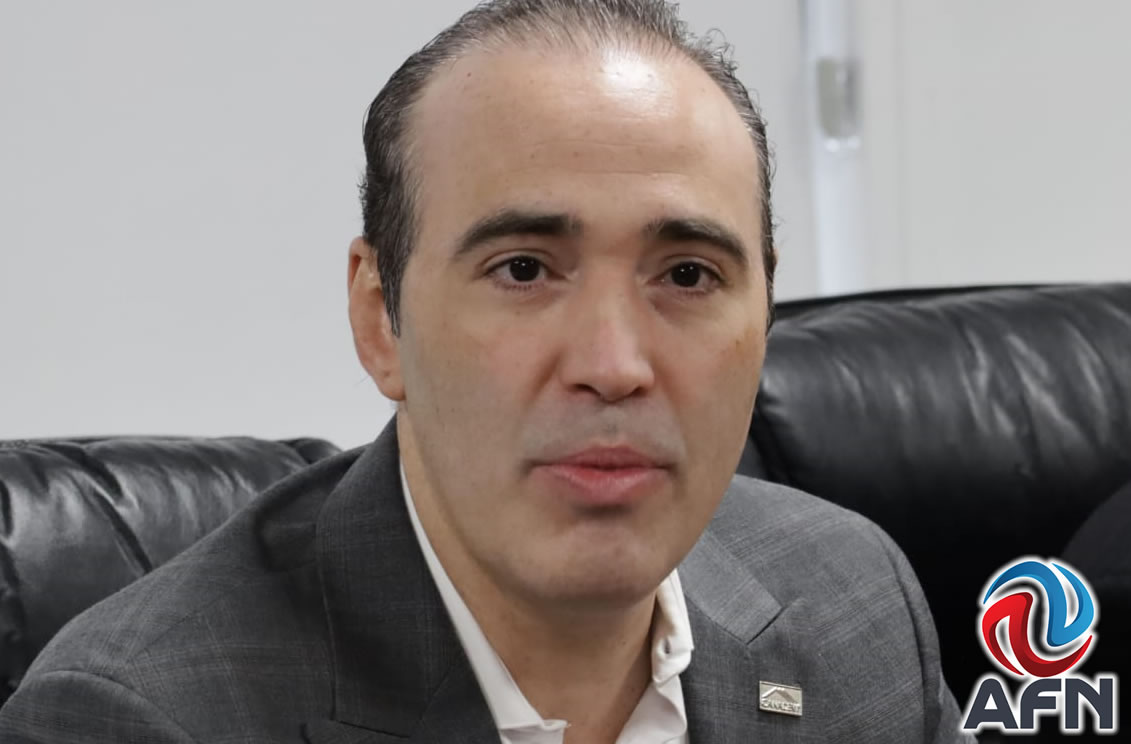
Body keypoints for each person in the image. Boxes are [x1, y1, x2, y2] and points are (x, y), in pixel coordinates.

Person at [0, 1, 973, 742]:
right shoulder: (140, 718)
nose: (613, 367)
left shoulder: (852, 601)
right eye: (523, 271)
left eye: (686, 275)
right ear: (380, 318)